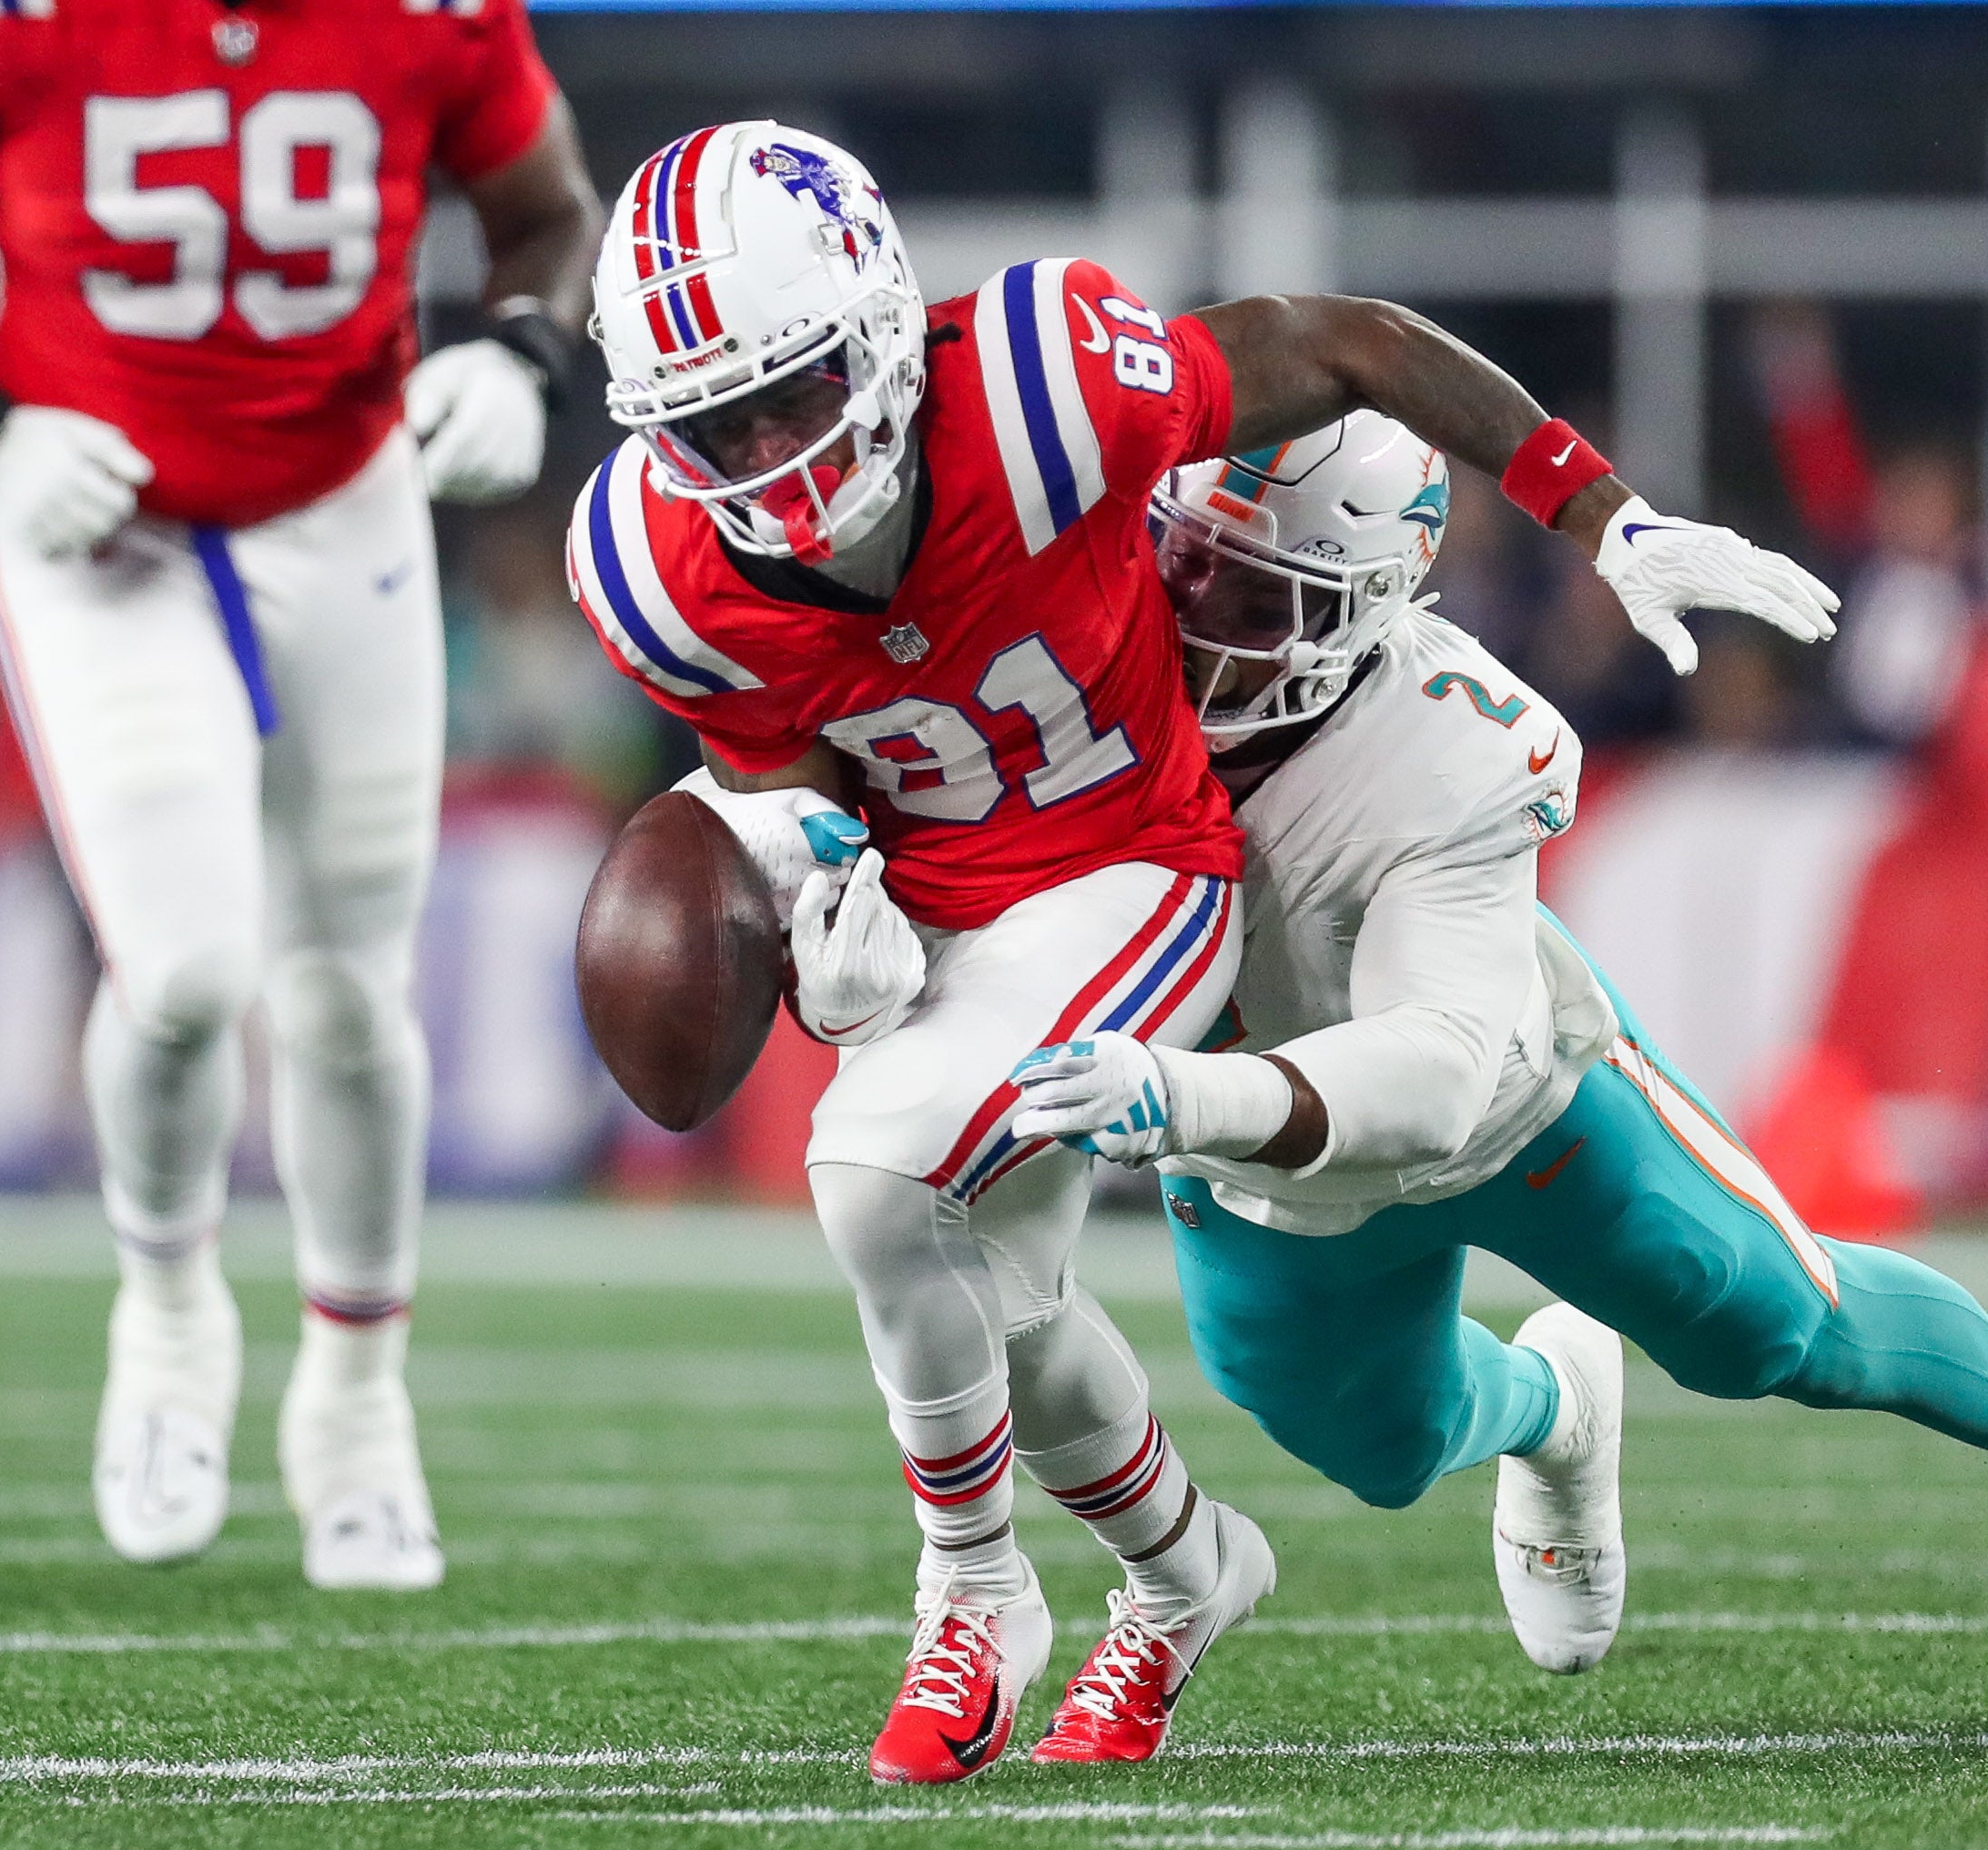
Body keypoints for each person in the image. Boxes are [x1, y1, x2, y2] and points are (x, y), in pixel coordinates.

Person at [569, 121, 1837, 1779]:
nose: (763, 453)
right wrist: (823, 931)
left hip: (1131, 858)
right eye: (710, 424)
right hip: (950, 881)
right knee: (996, 1296)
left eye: (791, 392)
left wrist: (1595, 514)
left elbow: (1349, 344)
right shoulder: (649, 565)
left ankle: (970, 1585)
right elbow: (803, 769)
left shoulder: (1031, 378)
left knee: (874, 1176)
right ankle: (1180, 1575)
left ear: (880, 319)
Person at [1009, 413, 1988, 1733]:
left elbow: (1433, 1074)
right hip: (1261, 1166)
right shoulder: (1064, 669)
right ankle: (1552, 1409)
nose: (1201, 619)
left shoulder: (1450, 749)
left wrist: (1178, 1094)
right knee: (1375, 1451)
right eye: (1185, 567)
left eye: (1263, 592)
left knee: (1777, 1330)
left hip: (1508, 1101)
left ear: (1369, 606)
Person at [0, 0, 602, 1591]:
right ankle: (165, 1321)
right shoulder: (6, 19)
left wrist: (518, 346)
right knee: (187, 971)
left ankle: (356, 1409)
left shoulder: (428, 19)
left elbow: (547, 203)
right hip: (95, 516)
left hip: (342, 490)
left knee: (352, 994)